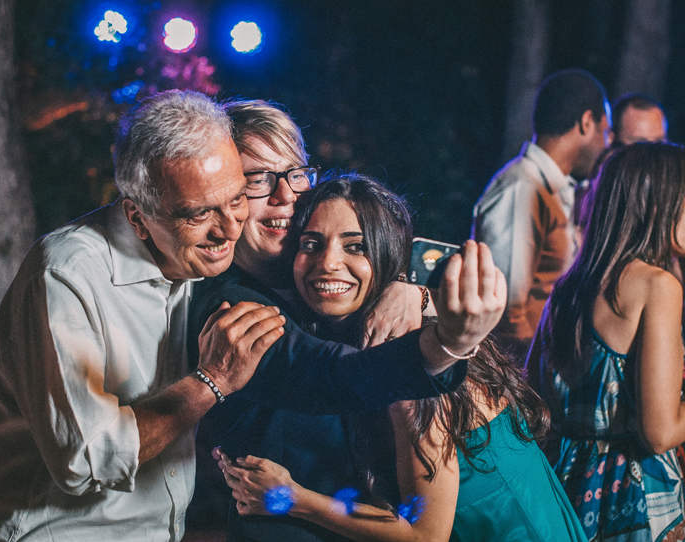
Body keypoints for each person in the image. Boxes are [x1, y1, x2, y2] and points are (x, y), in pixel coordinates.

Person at [0, 90, 290, 542]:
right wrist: (210, 381)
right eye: (199, 213)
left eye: (236, 199)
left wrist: (411, 298)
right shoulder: (65, 275)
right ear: (138, 217)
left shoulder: (198, 254)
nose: (229, 227)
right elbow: (86, 458)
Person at [188, 101, 506, 541]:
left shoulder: (335, 298)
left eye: (295, 174)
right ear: (224, 196)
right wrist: (445, 344)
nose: (284, 195)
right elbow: (332, 373)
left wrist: (416, 293)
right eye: (257, 179)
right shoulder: (225, 305)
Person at [215, 174, 586, 542]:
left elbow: (424, 536)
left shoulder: (406, 354)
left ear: (386, 253)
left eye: (355, 246)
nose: (328, 262)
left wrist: (292, 498)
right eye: (311, 243)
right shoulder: (378, 337)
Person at [526, 143, 685, 540]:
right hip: (634, 500)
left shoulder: (567, 288)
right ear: (661, 204)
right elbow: (660, 432)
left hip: (565, 489)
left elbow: (530, 399)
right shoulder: (657, 285)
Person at [472, 69, 611, 357]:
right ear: (587, 123)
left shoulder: (554, 190)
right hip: (519, 378)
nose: (607, 144)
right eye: (606, 131)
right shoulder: (523, 188)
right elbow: (506, 314)